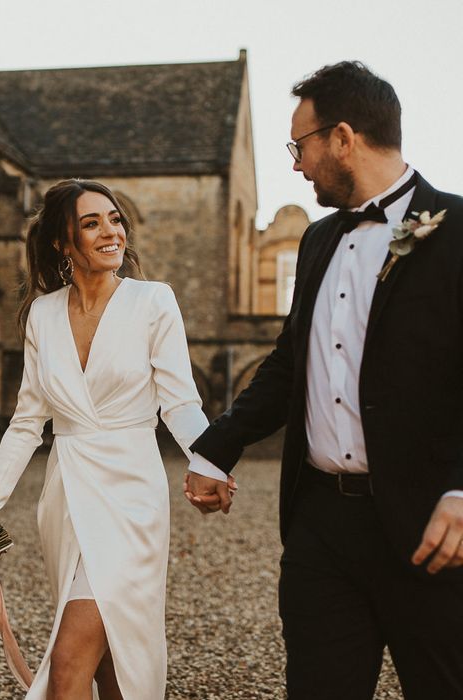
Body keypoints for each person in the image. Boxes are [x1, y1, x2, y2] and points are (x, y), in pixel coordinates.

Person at [184, 61, 463, 700]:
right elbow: (288, 362)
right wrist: (216, 446)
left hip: (433, 529)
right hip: (321, 531)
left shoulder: (457, 229)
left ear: (342, 138)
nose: (295, 165)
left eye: (299, 146)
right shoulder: (315, 241)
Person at [0, 179, 226, 699]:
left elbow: (179, 402)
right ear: (63, 243)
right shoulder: (42, 314)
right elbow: (26, 421)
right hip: (66, 497)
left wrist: (212, 462)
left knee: (68, 662)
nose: (111, 232)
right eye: (92, 223)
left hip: (131, 496)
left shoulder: (153, 302)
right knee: (111, 667)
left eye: (115, 219)